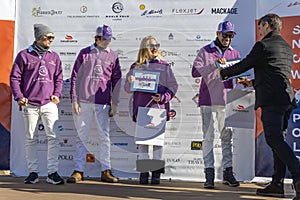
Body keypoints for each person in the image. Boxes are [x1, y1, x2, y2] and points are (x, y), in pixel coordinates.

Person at [219, 13, 300, 199]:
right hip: (286, 100)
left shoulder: (263, 45)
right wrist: (253, 83)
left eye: (260, 27)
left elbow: (244, 65)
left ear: (267, 25)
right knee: (277, 141)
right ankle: (277, 184)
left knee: (273, 140)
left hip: (273, 101)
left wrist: (222, 72)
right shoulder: (286, 48)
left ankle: (298, 174)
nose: (259, 30)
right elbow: (273, 72)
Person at [10, 24, 64, 185]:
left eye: (52, 38)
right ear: (39, 38)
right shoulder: (24, 55)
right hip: (30, 104)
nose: (51, 40)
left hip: (49, 103)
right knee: (31, 138)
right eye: (48, 37)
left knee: (53, 137)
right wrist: (19, 96)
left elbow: (59, 78)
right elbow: (14, 78)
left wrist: (57, 94)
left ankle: (52, 172)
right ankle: (33, 172)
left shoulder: (54, 56)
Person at [67, 25, 121, 183]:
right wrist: (74, 100)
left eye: (110, 39)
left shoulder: (113, 56)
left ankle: (106, 170)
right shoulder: (85, 53)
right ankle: (78, 170)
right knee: (81, 136)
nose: (108, 42)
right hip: (83, 102)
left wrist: (115, 102)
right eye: (106, 39)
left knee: (104, 137)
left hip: (102, 103)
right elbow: (75, 77)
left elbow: (116, 80)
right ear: (98, 38)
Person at [191, 21, 240, 189]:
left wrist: (241, 80)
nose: (227, 38)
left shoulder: (235, 53)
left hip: (227, 101)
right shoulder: (206, 50)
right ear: (218, 33)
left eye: (230, 35)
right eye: (225, 35)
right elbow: (194, 72)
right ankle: (209, 173)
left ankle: (228, 171)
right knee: (208, 138)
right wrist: (213, 65)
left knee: (227, 138)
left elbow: (237, 76)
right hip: (208, 100)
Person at [124, 36, 178, 184]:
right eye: (151, 46)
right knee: (143, 144)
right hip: (141, 110)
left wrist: (162, 97)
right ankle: (143, 173)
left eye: (156, 45)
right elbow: (127, 89)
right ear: (144, 48)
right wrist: (130, 80)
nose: (155, 48)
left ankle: (155, 175)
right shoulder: (136, 66)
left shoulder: (165, 66)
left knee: (157, 145)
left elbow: (173, 87)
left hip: (158, 110)